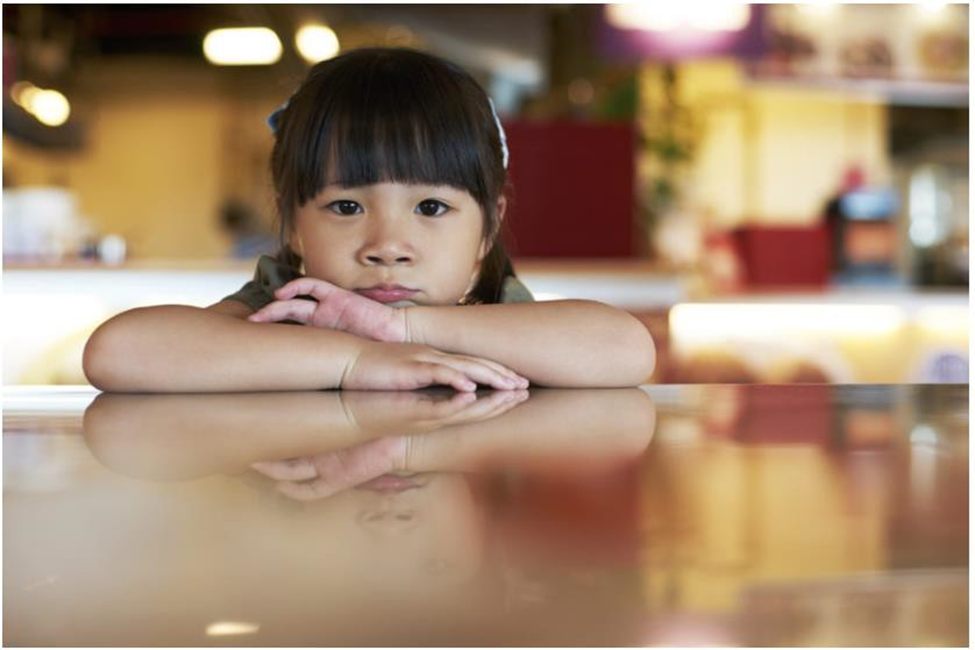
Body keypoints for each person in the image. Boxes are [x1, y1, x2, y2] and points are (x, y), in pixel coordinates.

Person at [83, 47, 656, 392]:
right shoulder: (288, 307)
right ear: (292, 226)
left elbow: (626, 350)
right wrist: (356, 359)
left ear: (487, 229)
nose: (388, 246)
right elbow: (120, 353)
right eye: (347, 207)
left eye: (431, 207)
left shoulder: (493, 310)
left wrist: (401, 331)